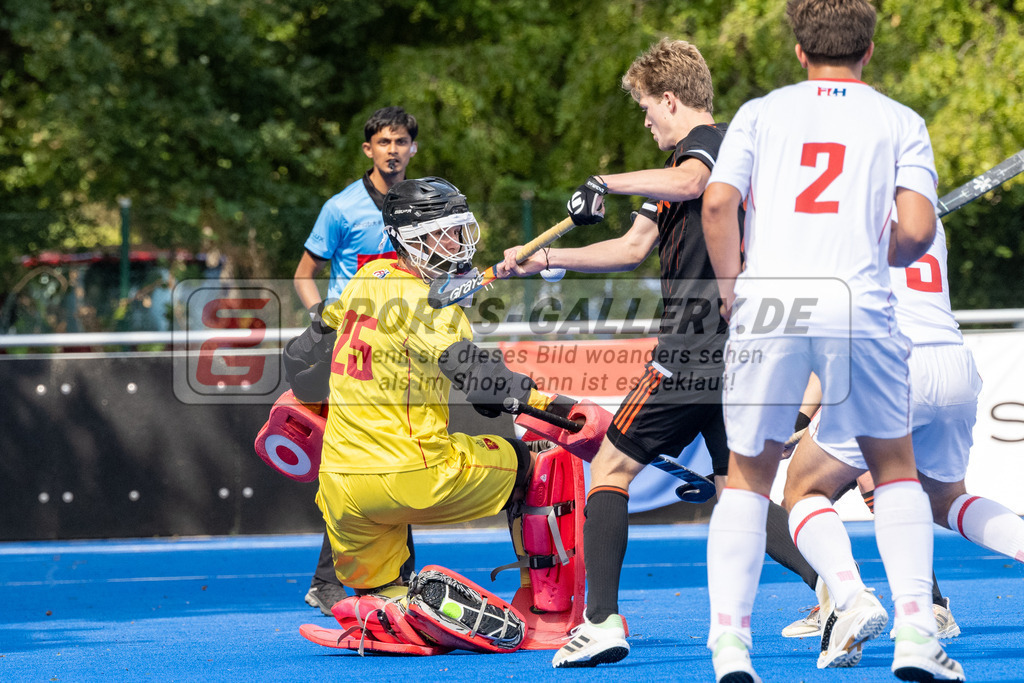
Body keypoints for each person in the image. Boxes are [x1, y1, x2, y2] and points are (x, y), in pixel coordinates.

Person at [500, 37, 820, 668]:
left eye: (648, 108)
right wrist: (544, 259)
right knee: (741, 492)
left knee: (610, 470)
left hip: (695, 345)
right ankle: (837, 592)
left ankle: (599, 622)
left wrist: (603, 180)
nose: (645, 120)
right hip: (733, 350)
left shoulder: (712, 148)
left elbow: (693, 178)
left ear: (672, 99)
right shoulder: (675, 171)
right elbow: (631, 247)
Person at [701, 0, 963, 680]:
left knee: (749, 478)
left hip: (771, 303)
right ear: (869, 49)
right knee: (895, 467)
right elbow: (914, 232)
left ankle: (730, 646)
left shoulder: (761, 113)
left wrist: (733, 287)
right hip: (859, 305)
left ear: (798, 50)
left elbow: (718, 204)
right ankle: (914, 635)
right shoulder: (901, 122)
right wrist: (875, 246)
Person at [282, 177, 592, 653]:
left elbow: (302, 359)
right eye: (441, 234)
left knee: (385, 586)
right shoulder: (431, 306)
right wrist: (562, 410)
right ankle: (547, 608)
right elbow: (485, 389)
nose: (457, 243)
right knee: (539, 462)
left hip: (341, 494)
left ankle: (382, 609)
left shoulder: (367, 279)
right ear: (407, 240)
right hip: (414, 476)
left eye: (458, 230)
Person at [781, 215, 1024, 643]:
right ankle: (929, 603)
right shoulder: (922, 210)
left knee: (803, 490)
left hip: (885, 361)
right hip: (952, 361)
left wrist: (798, 418)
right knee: (946, 499)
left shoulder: (829, 212)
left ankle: (851, 601)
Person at [292, 106, 419, 617]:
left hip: (409, 349)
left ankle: (367, 579)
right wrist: (322, 318)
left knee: (402, 455)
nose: (393, 150)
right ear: (368, 149)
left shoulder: (424, 202)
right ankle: (352, 580)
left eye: (401, 141)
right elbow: (304, 275)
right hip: (354, 353)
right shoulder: (341, 207)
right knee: (373, 460)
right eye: (383, 142)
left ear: (413, 148)